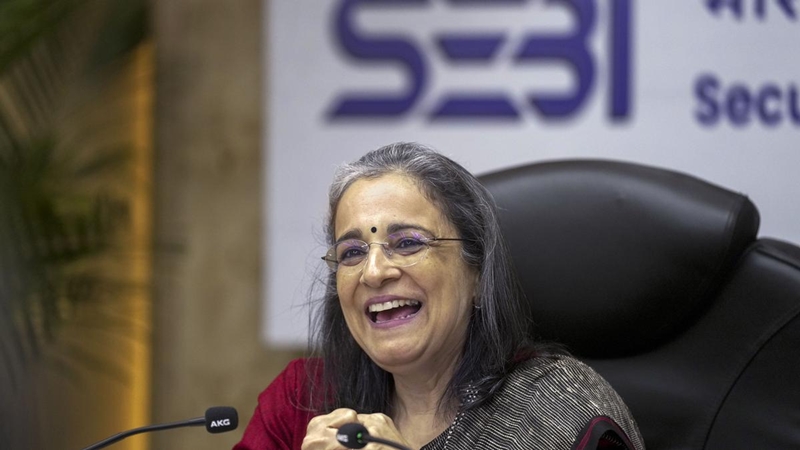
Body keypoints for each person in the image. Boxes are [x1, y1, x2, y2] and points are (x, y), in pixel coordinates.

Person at [234, 142, 645, 450]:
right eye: (353, 252)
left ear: (478, 274)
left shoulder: (555, 409)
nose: (373, 272)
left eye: (408, 243)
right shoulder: (301, 402)